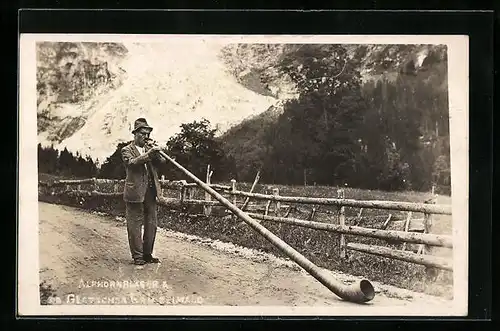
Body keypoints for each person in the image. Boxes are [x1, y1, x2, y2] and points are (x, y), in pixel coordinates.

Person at [121, 118, 167, 265]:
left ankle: (148, 254)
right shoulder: (126, 150)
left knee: (151, 223)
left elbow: (163, 163)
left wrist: (158, 152)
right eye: (143, 133)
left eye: (148, 134)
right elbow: (132, 163)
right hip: (135, 192)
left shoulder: (150, 149)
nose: (146, 136)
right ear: (135, 134)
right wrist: (149, 154)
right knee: (134, 224)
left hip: (151, 191)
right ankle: (138, 256)